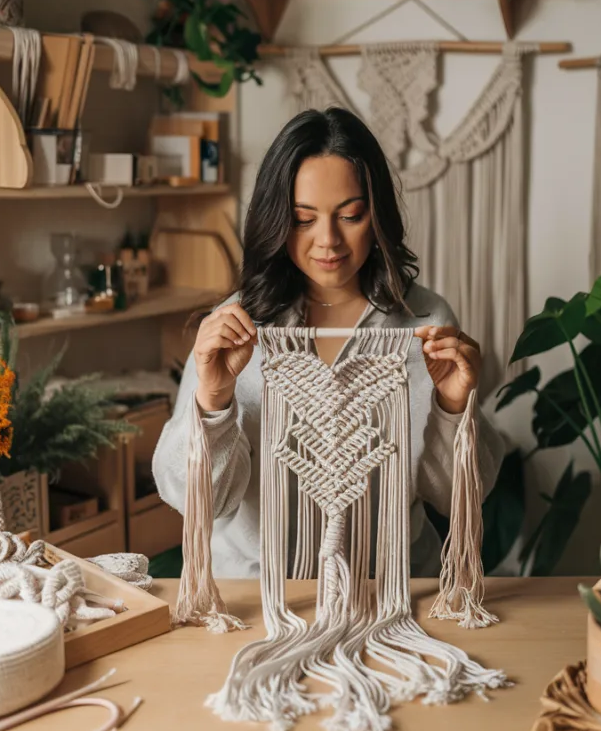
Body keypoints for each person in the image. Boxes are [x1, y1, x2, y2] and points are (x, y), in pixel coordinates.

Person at [153, 107, 504, 578]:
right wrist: (213, 399)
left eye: (351, 215)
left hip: (391, 593)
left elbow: (456, 497)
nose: (329, 241)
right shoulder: (235, 328)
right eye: (303, 219)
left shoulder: (424, 323)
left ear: (376, 214)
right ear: (276, 219)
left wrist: (454, 408)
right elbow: (195, 501)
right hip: (259, 595)